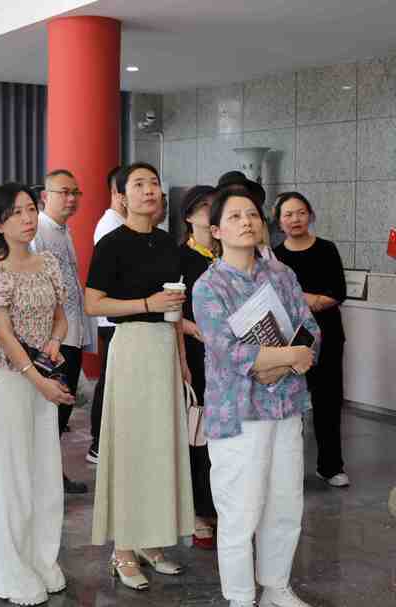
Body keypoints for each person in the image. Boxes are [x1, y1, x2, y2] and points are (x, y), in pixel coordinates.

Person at [193, 188, 319, 607]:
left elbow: (310, 330)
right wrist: (288, 357)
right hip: (239, 413)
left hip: (285, 405)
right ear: (216, 230)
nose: (246, 222)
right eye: (234, 216)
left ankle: (276, 586)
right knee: (240, 508)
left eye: (252, 214)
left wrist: (279, 364)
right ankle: (241, 596)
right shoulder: (208, 286)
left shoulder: (281, 275)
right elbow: (228, 351)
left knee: (285, 503)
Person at [85, 162, 193, 591]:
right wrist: (146, 304)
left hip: (165, 348)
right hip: (131, 347)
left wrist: (182, 358)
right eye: (139, 184)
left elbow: (175, 306)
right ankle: (124, 549)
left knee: (160, 447)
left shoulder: (168, 244)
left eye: (154, 184)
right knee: (131, 448)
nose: (149, 190)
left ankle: (151, 540)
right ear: (121, 196)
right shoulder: (111, 244)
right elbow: (94, 303)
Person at [0, 183, 75, 605]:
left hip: (42, 376)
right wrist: (39, 379)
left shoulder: (47, 262)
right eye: (16, 212)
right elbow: (4, 335)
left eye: (31, 209)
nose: (27, 218)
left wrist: (55, 342)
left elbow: (61, 317)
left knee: (44, 474)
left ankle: (41, 559)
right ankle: (8, 571)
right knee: (9, 479)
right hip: (7, 380)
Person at [271, 191, 349, 488]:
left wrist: (301, 299)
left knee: (328, 401)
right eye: (288, 214)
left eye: (301, 213)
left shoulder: (327, 249)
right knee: (290, 405)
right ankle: (289, 470)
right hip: (288, 339)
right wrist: (312, 299)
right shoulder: (275, 257)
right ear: (279, 221)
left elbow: (338, 292)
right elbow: (273, 298)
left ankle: (331, 466)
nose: (295, 219)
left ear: (311, 215)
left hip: (327, 335)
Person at [32, 169, 97, 495]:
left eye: (75, 192)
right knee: (51, 412)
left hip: (72, 332)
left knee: (62, 410)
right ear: (46, 196)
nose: (71, 199)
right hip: (54, 338)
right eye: (63, 192)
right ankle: (43, 478)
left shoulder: (64, 231)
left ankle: (50, 474)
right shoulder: (38, 230)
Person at [178, 184, 219, 550]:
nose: (211, 210)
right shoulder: (181, 258)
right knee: (199, 434)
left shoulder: (231, 254)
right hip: (195, 354)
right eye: (204, 206)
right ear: (189, 215)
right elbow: (171, 311)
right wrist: (194, 329)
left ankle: (221, 506)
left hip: (231, 357)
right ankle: (199, 511)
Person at [87, 165, 126, 465]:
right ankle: (98, 443)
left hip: (118, 317)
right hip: (112, 317)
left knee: (114, 380)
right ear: (117, 193)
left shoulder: (120, 223)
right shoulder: (110, 226)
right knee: (109, 380)